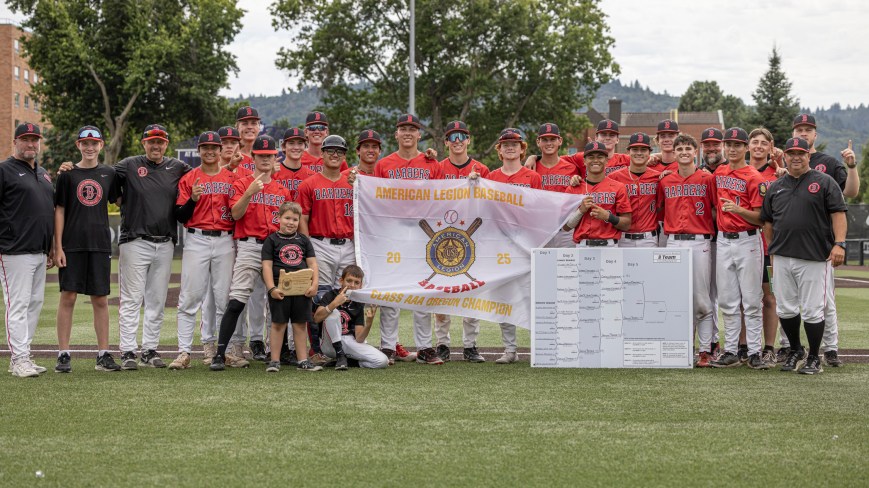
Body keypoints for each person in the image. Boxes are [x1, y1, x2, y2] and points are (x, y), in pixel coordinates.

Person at [760, 137, 848, 374]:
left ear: (809, 156)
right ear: (785, 156)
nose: (796, 157)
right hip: (783, 256)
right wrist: (772, 249)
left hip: (814, 257)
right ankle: (796, 350)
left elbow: (838, 214)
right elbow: (767, 221)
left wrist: (839, 244)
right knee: (786, 309)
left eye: (801, 153)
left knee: (812, 309)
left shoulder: (825, 181)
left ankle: (813, 358)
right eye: (791, 153)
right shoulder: (776, 186)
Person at [211, 135, 298, 370]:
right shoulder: (241, 183)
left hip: (276, 245)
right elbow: (236, 214)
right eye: (261, 155)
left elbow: (289, 223)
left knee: (279, 299)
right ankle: (221, 353)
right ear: (254, 157)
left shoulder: (281, 189)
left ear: (275, 157)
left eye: (270, 156)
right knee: (237, 299)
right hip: (249, 245)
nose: (266, 159)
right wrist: (249, 192)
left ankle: (278, 352)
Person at [115, 124, 191, 370]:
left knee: (157, 300)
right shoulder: (128, 165)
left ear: (166, 144)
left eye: (160, 141)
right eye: (151, 141)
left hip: (165, 242)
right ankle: (128, 351)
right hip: (135, 241)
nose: (156, 145)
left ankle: (149, 350)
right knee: (131, 299)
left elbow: (204, 175)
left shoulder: (177, 167)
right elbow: (99, 177)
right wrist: (70, 168)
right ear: (143, 143)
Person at [373, 113, 444, 365]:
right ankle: (388, 346)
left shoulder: (431, 163)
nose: (407, 133)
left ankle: (424, 347)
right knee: (391, 291)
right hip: (392, 230)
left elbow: (442, 197)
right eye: (403, 128)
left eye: (412, 129)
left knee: (422, 288)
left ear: (419, 134)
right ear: (396, 134)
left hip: (422, 231)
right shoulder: (384, 164)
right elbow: (374, 197)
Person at [788, 113, 857, 367]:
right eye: (799, 129)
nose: (803, 133)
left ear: (815, 134)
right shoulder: (786, 161)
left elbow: (850, 192)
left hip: (821, 242)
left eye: (808, 129)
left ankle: (830, 348)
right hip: (791, 242)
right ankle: (790, 347)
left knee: (824, 300)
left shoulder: (827, 162)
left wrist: (851, 166)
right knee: (790, 300)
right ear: (793, 133)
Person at [53, 125, 121, 373]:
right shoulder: (67, 175)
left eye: (94, 143)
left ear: (101, 145)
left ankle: (103, 354)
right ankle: (63, 353)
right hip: (71, 244)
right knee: (68, 297)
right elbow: (58, 210)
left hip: (100, 244)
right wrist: (57, 246)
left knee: (100, 299)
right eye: (85, 143)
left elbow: (121, 201)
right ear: (78, 145)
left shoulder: (109, 173)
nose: (90, 147)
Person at [169, 131, 238, 370]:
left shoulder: (231, 178)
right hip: (197, 238)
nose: (210, 151)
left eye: (214, 147)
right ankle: (184, 351)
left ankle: (223, 351)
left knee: (223, 299)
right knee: (189, 297)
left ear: (220, 151)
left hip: (224, 240)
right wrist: (193, 201)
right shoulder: (189, 178)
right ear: (199, 150)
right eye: (205, 147)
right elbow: (180, 215)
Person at [482, 128, 543, 364]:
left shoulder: (532, 177)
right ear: (499, 149)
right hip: (499, 242)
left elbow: (540, 209)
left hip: (526, 240)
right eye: (505, 143)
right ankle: (510, 349)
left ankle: (539, 346)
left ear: (522, 148)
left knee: (530, 296)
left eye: (514, 143)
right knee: (504, 297)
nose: (510, 147)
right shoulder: (492, 177)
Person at [657, 134, 717, 367]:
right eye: (679, 148)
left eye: (687, 148)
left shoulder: (706, 179)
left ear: (695, 152)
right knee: (676, 298)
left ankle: (705, 350)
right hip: (673, 241)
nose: (683, 151)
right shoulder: (666, 181)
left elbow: (714, 210)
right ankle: (681, 348)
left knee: (701, 298)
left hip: (699, 241)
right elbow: (661, 213)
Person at [709, 128, 766, 370]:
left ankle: (754, 352)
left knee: (752, 300)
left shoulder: (754, 176)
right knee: (728, 300)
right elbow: (713, 205)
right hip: (723, 240)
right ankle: (731, 350)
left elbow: (761, 218)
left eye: (737, 145)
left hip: (748, 239)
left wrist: (738, 211)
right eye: (728, 144)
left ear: (746, 148)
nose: (732, 149)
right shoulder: (718, 172)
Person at [1, 123, 54, 377]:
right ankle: (18, 358)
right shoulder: (4, 170)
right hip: (14, 250)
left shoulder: (43, 173)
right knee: (18, 305)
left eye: (35, 140)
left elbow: (48, 213)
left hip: (39, 251)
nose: (31, 144)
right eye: (26, 139)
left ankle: (25, 355)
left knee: (34, 304)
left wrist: (51, 247)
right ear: (15, 142)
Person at [433, 120, 488, 363]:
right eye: (452, 137)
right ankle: (442, 344)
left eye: (461, 137)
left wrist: (477, 187)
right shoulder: (436, 167)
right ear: (446, 142)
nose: (457, 142)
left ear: (468, 140)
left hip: (472, 237)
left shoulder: (481, 169)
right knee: (442, 293)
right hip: (441, 236)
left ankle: (470, 345)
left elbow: (489, 205)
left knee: (471, 292)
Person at [298, 134, 356, 366]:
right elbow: (303, 218)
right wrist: (308, 246)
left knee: (349, 295)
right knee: (319, 297)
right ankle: (317, 349)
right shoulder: (309, 184)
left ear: (344, 156)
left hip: (348, 243)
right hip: (320, 243)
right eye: (330, 150)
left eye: (339, 151)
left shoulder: (353, 182)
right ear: (321, 153)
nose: (335, 154)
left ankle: (346, 344)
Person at [262, 202, 320, 373]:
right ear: (278, 218)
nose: (291, 222)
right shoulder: (271, 240)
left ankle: (302, 360)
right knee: (278, 324)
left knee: (300, 324)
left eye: (295, 219)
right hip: (281, 289)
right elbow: (266, 266)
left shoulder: (303, 240)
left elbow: (313, 264)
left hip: (302, 289)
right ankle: (274, 360)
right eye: (287, 218)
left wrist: (315, 283)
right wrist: (272, 288)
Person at [748, 128, 782, 366]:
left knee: (769, 298)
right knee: (745, 299)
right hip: (746, 244)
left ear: (771, 146)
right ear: (748, 145)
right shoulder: (739, 170)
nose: (758, 146)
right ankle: (743, 346)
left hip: (770, 246)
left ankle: (769, 347)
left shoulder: (778, 173)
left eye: (763, 143)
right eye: (754, 142)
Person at [316, 265, 389, 369]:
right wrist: (334, 303)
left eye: (356, 282)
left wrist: (369, 322)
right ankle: (340, 355)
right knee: (334, 313)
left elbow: (359, 338)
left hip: (348, 340)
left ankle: (349, 362)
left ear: (361, 285)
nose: (352, 285)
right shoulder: (330, 295)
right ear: (341, 280)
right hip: (329, 343)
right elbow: (317, 318)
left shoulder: (358, 302)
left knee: (382, 361)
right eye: (349, 281)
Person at [563, 141, 632, 248]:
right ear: (584, 161)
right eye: (591, 157)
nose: (595, 160)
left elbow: (627, 224)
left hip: (609, 246)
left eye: (600, 157)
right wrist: (581, 211)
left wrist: (608, 217)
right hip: (582, 246)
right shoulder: (573, 188)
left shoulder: (618, 187)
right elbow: (566, 227)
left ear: (606, 161)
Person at [532, 123, 580, 249]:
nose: (549, 143)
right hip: (539, 229)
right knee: (540, 267)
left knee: (568, 267)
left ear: (560, 141)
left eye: (553, 139)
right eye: (545, 140)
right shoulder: (531, 168)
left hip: (566, 229)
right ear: (538, 142)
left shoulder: (573, 168)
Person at [609, 132, 661, 248]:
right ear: (629, 152)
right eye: (635, 149)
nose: (639, 153)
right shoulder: (614, 177)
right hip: (622, 237)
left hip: (649, 238)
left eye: (643, 149)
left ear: (649, 153)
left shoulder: (658, 177)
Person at [236, 106, 260, 172]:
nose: (249, 127)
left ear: (259, 127)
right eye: (245, 123)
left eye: (253, 123)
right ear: (237, 127)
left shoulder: (266, 155)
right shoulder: (230, 154)